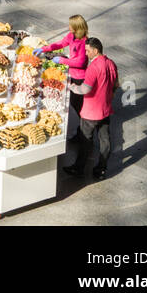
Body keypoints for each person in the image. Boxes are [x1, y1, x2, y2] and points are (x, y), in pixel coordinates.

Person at [63, 38, 118, 181]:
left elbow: (85, 89)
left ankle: (79, 168)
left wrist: (71, 87)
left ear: (96, 50)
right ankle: (101, 169)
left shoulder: (93, 67)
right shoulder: (111, 63)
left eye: (87, 51)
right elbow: (115, 84)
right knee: (105, 140)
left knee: (85, 140)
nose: (86, 54)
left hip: (91, 112)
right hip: (105, 109)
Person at [38, 14, 88, 138]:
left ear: (77, 28)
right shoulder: (71, 36)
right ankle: (75, 129)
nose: (68, 26)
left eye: (70, 25)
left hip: (79, 78)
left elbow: (81, 62)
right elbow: (60, 44)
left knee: (77, 106)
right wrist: (44, 49)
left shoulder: (84, 43)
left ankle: (82, 133)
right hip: (71, 74)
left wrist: (62, 60)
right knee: (71, 103)